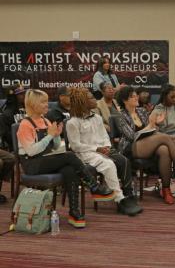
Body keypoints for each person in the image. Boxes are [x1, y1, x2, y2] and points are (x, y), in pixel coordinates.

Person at [17, 89, 114, 228]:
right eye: (43, 102)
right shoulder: (25, 124)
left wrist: (56, 135)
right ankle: (93, 185)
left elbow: (55, 147)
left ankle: (74, 212)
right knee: (69, 156)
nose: (47, 105)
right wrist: (50, 135)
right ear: (33, 104)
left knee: (69, 169)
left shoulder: (45, 120)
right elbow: (31, 151)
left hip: (46, 160)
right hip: (32, 164)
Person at [116, 85, 175, 204]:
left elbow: (151, 132)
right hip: (130, 147)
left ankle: (166, 190)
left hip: (146, 144)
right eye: (133, 96)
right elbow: (131, 136)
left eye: (135, 95)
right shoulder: (121, 115)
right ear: (125, 100)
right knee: (164, 138)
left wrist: (156, 125)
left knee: (164, 150)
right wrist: (151, 126)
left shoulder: (142, 111)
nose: (136, 98)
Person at [66, 88, 142, 216]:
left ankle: (128, 194)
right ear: (82, 102)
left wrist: (107, 147)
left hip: (102, 149)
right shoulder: (72, 122)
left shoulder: (97, 118)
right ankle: (120, 199)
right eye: (91, 98)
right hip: (86, 153)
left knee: (123, 160)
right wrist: (97, 149)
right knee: (109, 165)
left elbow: (104, 136)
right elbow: (75, 146)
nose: (95, 100)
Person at [0, 83, 27, 150]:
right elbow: (8, 138)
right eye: (20, 94)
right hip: (16, 148)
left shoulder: (29, 109)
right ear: (13, 96)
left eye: (24, 93)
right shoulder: (6, 115)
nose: (24, 95)